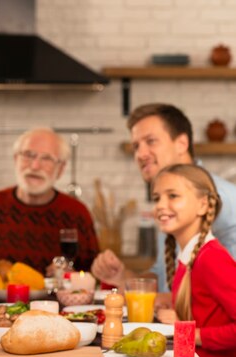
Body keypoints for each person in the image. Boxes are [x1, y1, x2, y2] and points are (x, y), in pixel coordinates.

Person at [91, 103, 236, 296]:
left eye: (151, 141)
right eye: (136, 146)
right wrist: (122, 277)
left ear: (181, 144)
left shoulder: (221, 199)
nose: (140, 154)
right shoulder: (168, 204)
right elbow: (165, 278)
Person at [151, 164, 236, 357]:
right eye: (157, 197)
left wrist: (190, 332)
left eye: (173, 195)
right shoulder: (191, 256)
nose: (161, 204)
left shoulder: (211, 259)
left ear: (203, 205)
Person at [0, 128, 99, 275]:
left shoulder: (77, 212)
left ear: (61, 169)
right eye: (28, 155)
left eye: (47, 158)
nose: (35, 166)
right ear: (16, 159)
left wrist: (71, 277)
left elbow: (94, 275)